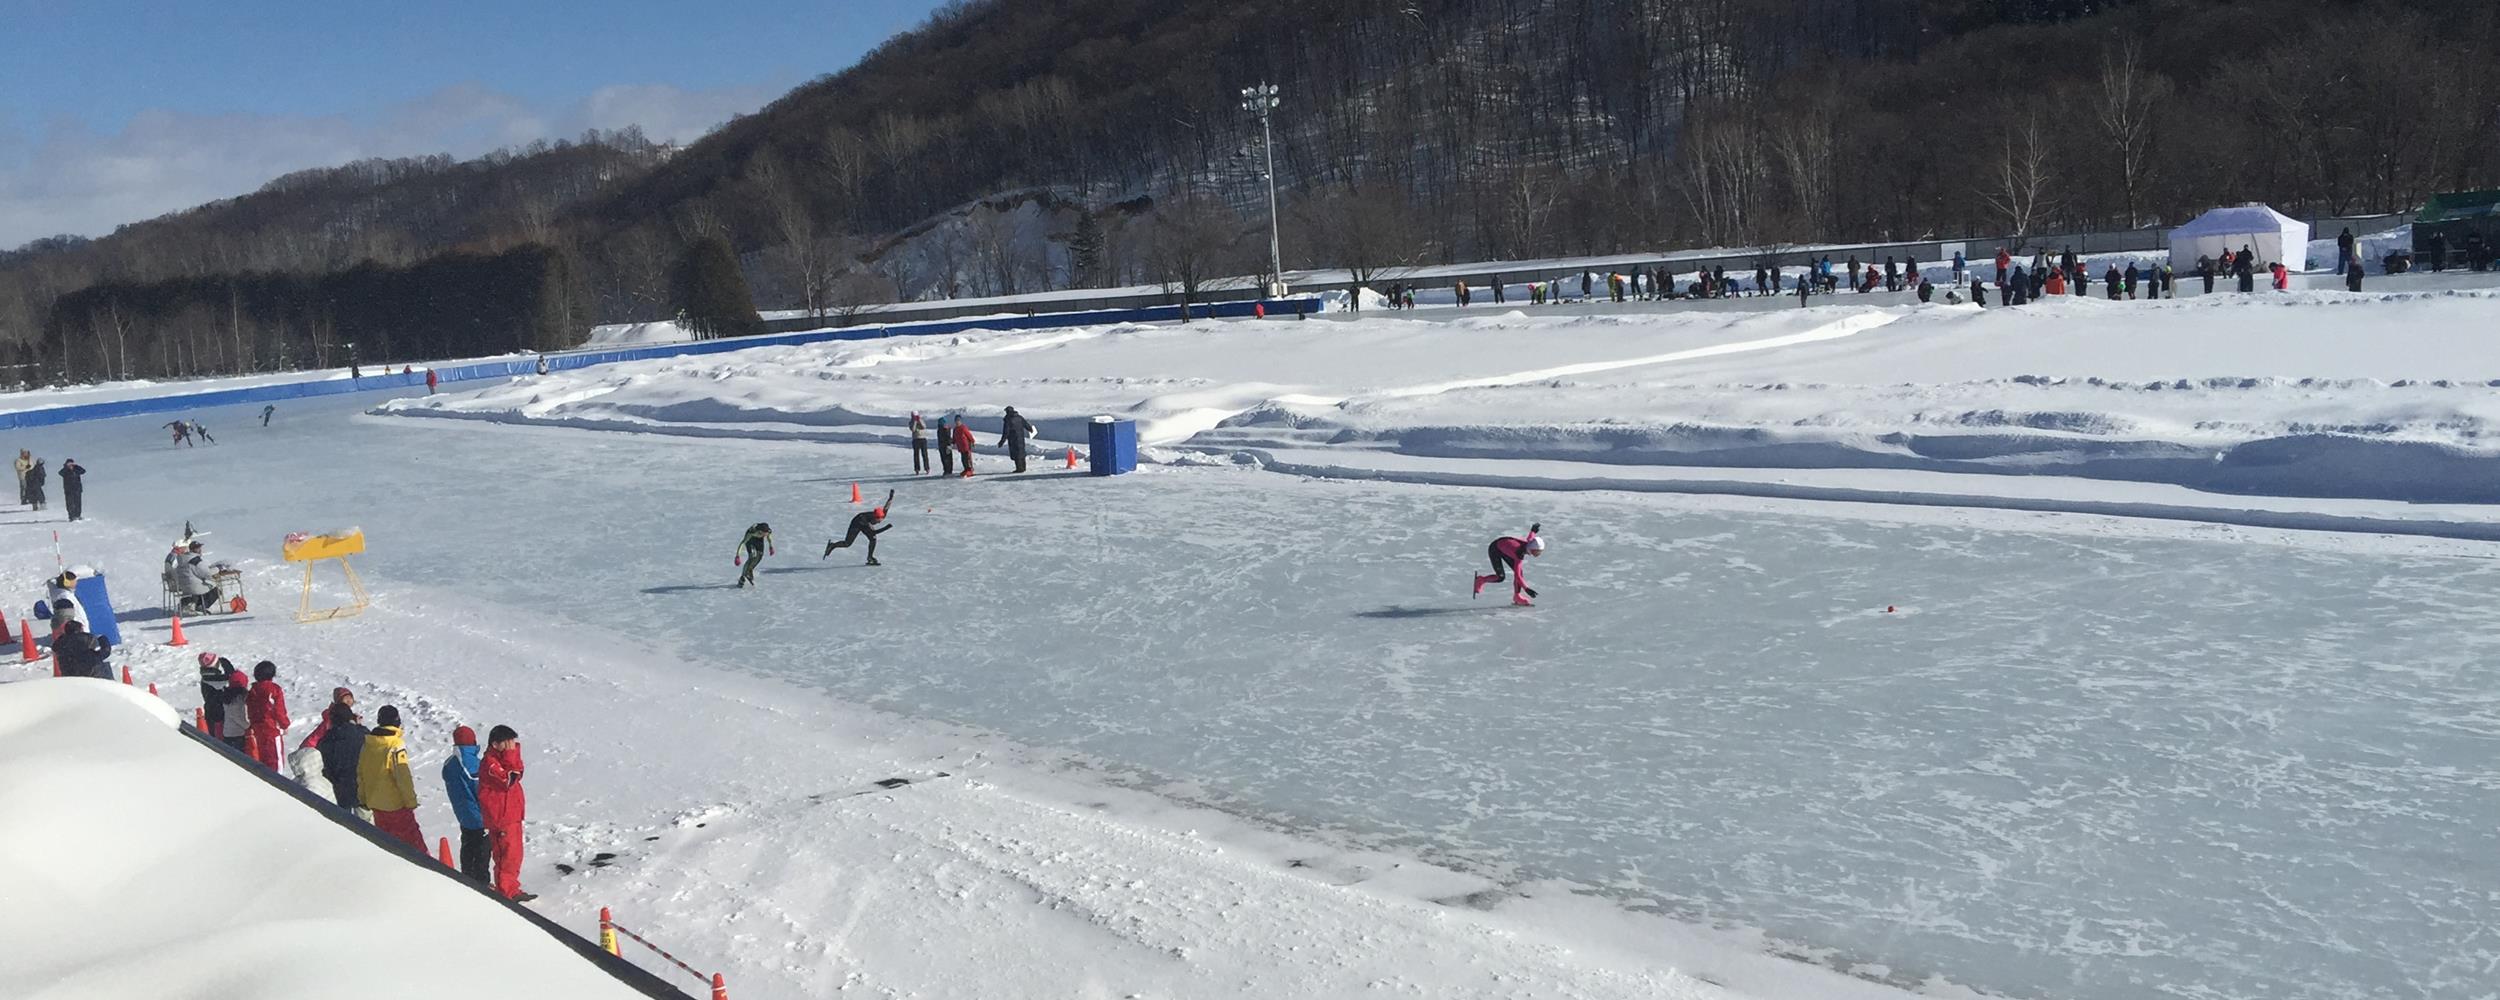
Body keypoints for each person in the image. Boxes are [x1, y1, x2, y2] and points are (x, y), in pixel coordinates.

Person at [479, 724, 533, 901]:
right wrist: (511, 756)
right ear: (495, 744)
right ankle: (506, 891)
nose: (511, 745)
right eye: (507, 742)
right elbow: (507, 780)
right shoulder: (489, 763)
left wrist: (512, 754)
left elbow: (519, 772)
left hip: (512, 815)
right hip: (501, 817)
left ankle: (512, 888)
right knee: (505, 855)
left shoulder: (503, 760)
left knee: (515, 855)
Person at [359, 704, 424, 850]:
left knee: (389, 845)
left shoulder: (368, 744)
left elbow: (361, 773)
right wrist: (410, 801)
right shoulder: (395, 745)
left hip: (376, 804)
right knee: (413, 845)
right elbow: (402, 777)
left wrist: (363, 798)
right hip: (396, 805)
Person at [442, 726, 491, 884]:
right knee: (482, 853)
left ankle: (467, 880)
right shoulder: (473, 764)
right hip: (479, 817)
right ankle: (481, 884)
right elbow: (482, 791)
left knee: (468, 847)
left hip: (463, 815)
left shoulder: (449, 763)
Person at [1472, 523, 1546, 607]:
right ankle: (1481, 580)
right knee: (1500, 577)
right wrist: (1527, 589)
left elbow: (1530, 538)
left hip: (1506, 548)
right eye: (1536, 552)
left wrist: (1533, 530)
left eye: (1539, 552)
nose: (1537, 554)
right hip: (1495, 549)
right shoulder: (1519, 554)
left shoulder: (1529, 544)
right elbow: (1517, 576)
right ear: (1531, 549)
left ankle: (1517, 596)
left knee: (1520, 573)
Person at [318, 702, 368, 812]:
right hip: (365, 789)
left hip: (341, 791)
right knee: (366, 825)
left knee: (344, 824)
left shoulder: (327, 740)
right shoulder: (364, 734)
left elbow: (325, 767)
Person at [824, 491, 896, 566]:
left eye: (881, 519)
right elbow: (873, 532)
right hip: (857, 523)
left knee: (873, 539)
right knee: (847, 543)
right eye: (878, 520)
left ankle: (870, 557)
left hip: (864, 521)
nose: (880, 521)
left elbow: (887, 506)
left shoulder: (882, 515)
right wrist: (886, 528)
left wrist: (890, 497)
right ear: (874, 517)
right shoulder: (866, 522)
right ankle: (832, 545)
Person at [245, 661, 290, 770]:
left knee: (263, 760)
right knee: (276, 762)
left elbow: (251, 711)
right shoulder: (274, 690)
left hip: (258, 730)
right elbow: (279, 710)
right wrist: (285, 724)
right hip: (272, 730)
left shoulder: (253, 691)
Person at [174, 542, 222, 614]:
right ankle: (201, 606)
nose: (200, 550)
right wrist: (218, 569)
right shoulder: (195, 561)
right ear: (194, 549)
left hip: (184, 587)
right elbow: (207, 573)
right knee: (216, 590)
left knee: (203, 586)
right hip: (194, 587)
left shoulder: (182, 560)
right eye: (198, 548)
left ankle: (189, 603)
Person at [733, 522, 774, 588]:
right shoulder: (752, 531)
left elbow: (769, 537)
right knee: (752, 556)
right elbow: (743, 543)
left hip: (759, 540)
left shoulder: (767, 532)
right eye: (765, 533)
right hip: (750, 540)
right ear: (760, 531)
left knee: (759, 556)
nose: (767, 534)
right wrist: (737, 556)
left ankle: (750, 570)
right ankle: (743, 576)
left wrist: (771, 546)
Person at [998, 406, 1036, 474]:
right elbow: (1026, 424)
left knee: (1016, 453)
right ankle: (1023, 467)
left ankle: (1019, 468)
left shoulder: (1008, 420)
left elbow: (1006, 432)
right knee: (1021, 452)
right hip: (1020, 437)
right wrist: (1031, 429)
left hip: (1013, 439)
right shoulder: (1019, 417)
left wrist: (1002, 441)